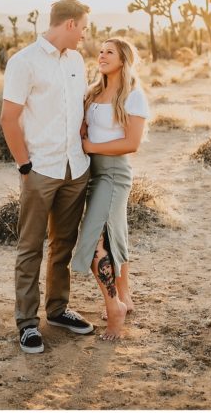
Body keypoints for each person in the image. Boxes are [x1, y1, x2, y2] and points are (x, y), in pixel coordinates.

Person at [1, 0, 95, 353]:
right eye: (83, 27)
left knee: (63, 245)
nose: (85, 35)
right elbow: (9, 119)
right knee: (30, 248)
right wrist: (25, 166)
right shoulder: (23, 63)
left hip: (76, 168)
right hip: (40, 168)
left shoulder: (76, 60)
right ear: (69, 24)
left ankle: (57, 310)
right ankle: (27, 323)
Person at [71, 38, 148, 340]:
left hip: (114, 174)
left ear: (123, 60)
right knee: (115, 233)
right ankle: (124, 295)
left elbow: (132, 143)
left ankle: (113, 306)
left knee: (94, 239)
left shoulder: (133, 96)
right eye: (100, 51)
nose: (102, 55)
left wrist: (90, 145)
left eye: (109, 52)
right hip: (90, 172)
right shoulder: (92, 92)